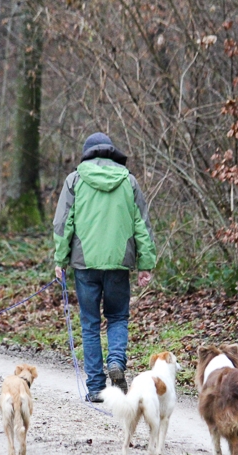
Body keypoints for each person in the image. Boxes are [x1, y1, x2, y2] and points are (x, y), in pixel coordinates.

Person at [53, 132, 156, 402]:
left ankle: (97, 388)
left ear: (87, 153)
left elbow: (64, 224)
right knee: (118, 317)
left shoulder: (75, 180)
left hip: (84, 264)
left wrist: (60, 260)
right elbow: (141, 225)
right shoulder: (128, 181)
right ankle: (117, 363)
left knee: (90, 323)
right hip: (118, 263)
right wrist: (145, 263)